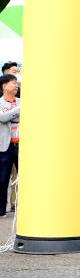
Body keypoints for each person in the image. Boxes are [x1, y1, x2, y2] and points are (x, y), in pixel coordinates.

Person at [0, 74, 19, 216]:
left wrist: (11, 114)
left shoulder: (21, 101)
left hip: (22, 145)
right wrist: (19, 110)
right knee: (3, 178)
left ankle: (24, 207)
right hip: (5, 146)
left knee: (26, 178)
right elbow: (2, 118)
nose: (17, 85)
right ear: (4, 85)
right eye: (13, 83)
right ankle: (1, 209)